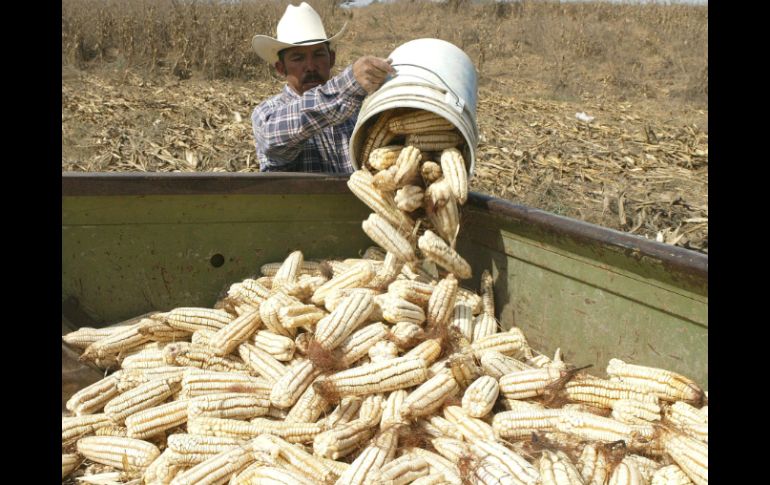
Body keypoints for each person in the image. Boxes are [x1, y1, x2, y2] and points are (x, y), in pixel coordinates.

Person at [251, 2, 394, 173]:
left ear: (331, 59)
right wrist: (350, 82)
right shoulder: (267, 113)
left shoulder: (361, 109)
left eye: (319, 55)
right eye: (298, 58)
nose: (311, 66)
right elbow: (273, 137)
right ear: (281, 68)